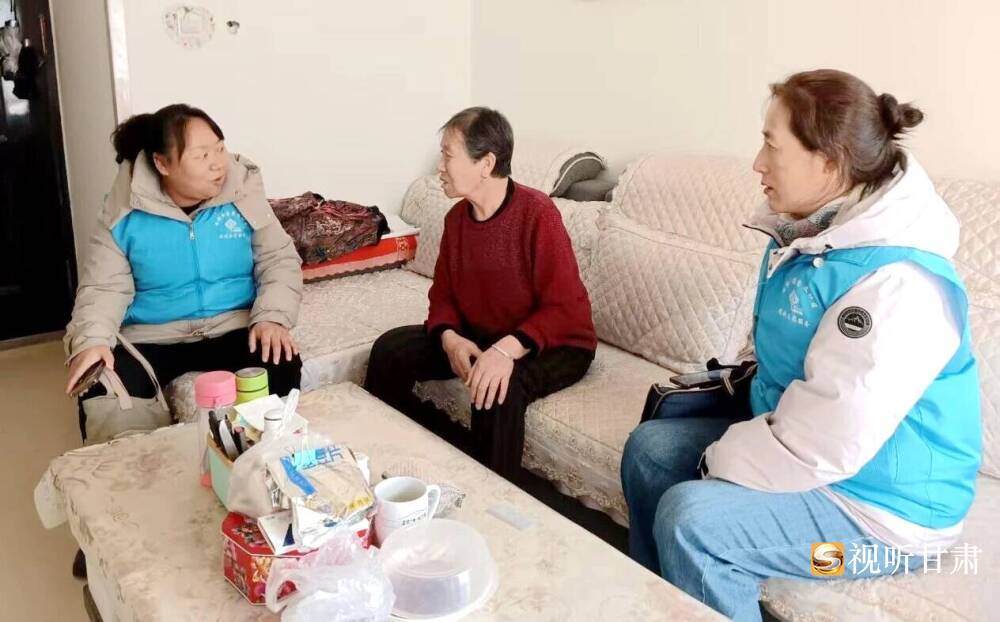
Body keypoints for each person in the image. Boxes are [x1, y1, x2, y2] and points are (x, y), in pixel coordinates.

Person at [621, 69, 981, 621]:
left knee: (694, 521)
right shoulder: (812, 235)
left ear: (829, 162)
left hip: (884, 526)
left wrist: (716, 461)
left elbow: (825, 444)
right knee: (650, 452)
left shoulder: (898, 284)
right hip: (816, 458)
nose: (757, 163)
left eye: (772, 145)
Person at [364, 107, 597, 480]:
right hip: (485, 334)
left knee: (497, 387)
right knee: (391, 350)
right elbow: (443, 297)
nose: (439, 166)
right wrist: (451, 339)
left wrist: (505, 351)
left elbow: (564, 308)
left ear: (486, 163)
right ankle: (392, 471)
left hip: (556, 342)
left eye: (448, 155)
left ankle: (491, 500)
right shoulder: (456, 219)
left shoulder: (538, 213)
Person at [65, 104, 304, 437]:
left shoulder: (242, 193)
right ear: (162, 164)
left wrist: (272, 317)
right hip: (152, 335)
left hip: (233, 324)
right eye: (201, 155)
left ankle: (268, 455)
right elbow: (104, 287)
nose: (217, 163)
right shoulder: (123, 210)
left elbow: (278, 259)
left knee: (279, 359)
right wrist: (92, 340)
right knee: (104, 387)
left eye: (219, 149)